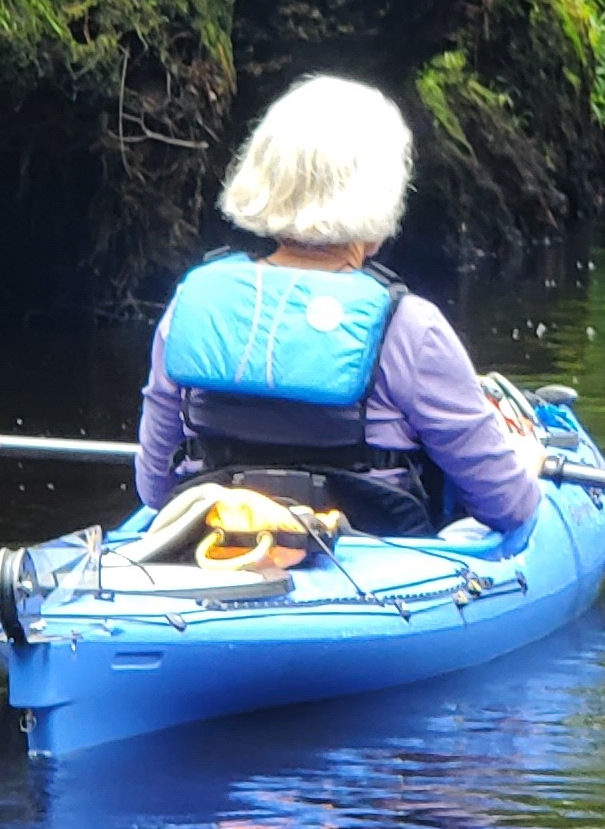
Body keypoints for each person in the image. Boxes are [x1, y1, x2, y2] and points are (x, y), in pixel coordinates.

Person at [133, 75, 546, 536]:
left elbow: (155, 488)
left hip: (223, 538)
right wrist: (526, 461)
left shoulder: (193, 306)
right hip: (375, 566)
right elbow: (510, 506)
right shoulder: (411, 329)